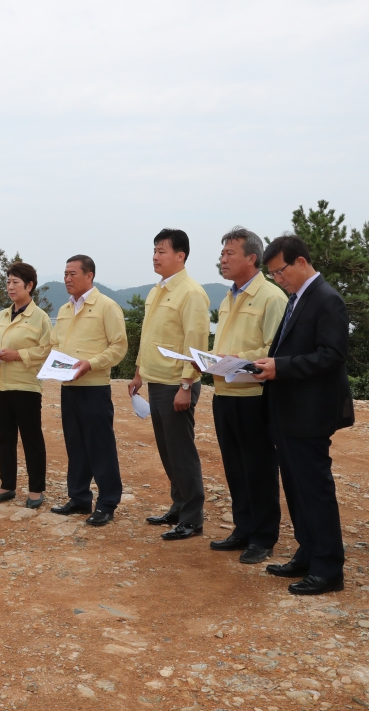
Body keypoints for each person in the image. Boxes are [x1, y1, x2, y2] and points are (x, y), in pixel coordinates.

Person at [252, 235, 354, 596]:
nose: (278, 279)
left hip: (311, 412)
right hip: (288, 408)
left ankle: (328, 568)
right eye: (272, 275)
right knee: (295, 487)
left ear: (301, 262)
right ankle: (307, 552)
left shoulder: (327, 300)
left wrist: (280, 367)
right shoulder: (298, 299)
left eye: (280, 272)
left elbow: (332, 355)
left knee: (315, 489)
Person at [205, 227, 288, 564]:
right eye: (222, 253)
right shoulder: (229, 296)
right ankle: (243, 528)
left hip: (254, 396)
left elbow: (275, 350)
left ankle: (263, 536)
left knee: (259, 467)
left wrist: (236, 361)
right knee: (235, 466)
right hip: (225, 393)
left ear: (252, 258)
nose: (222, 259)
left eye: (229, 254)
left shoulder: (271, 297)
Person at [127, 229, 211, 541]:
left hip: (177, 382)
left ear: (181, 255)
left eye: (162, 251)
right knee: (167, 450)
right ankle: (179, 506)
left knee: (181, 451)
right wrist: (138, 373)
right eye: (154, 250)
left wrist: (187, 385)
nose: (155, 256)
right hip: (156, 380)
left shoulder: (191, 293)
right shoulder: (157, 291)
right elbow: (148, 337)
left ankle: (192, 518)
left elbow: (196, 342)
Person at [49, 255, 128, 526]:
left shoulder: (106, 306)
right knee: (76, 445)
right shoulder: (63, 309)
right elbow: (55, 344)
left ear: (89, 275)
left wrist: (91, 364)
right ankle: (79, 498)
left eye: (73, 273)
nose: (68, 279)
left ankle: (107, 503)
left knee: (100, 446)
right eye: (65, 274)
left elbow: (119, 346)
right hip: (68, 387)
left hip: (94, 388)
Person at [0, 262, 53, 509]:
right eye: (8, 282)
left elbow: (47, 350)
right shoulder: (2, 315)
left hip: (25, 385)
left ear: (30, 285)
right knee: (5, 437)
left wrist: (19, 355)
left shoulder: (40, 317)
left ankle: (36, 489)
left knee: (31, 438)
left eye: (15, 282)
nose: (10, 287)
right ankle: (7, 486)